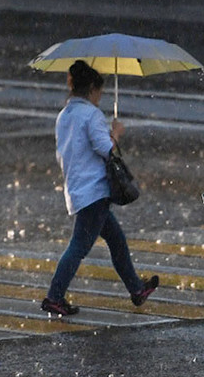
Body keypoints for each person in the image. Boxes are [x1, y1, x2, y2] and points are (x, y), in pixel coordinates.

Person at [41, 60, 158, 315]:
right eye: (100, 93)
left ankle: (137, 289)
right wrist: (115, 133)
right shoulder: (90, 114)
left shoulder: (64, 115)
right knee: (79, 247)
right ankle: (54, 296)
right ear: (92, 88)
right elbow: (106, 149)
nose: (100, 98)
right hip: (94, 191)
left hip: (77, 188)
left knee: (116, 240)